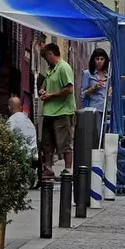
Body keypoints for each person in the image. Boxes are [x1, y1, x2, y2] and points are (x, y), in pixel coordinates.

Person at [40, 43, 76, 178]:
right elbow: (46, 86)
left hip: (62, 112)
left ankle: (68, 169)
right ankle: (48, 168)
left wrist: (51, 95)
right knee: (47, 142)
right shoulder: (51, 70)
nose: (45, 61)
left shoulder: (63, 67)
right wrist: (43, 91)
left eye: (45, 57)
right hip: (49, 112)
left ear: (51, 53)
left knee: (64, 142)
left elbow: (69, 89)